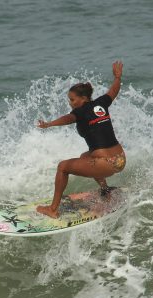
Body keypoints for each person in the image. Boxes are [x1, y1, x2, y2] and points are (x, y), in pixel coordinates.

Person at [35, 60, 126, 218]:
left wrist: (49, 124)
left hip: (106, 164)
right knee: (85, 157)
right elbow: (113, 91)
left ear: (83, 98)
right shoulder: (101, 103)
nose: (70, 103)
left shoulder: (80, 111)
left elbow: (67, 119)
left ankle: (53, 209)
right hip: (120, 160)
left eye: (72, 99)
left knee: (63, 167)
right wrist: (118, 77)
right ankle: (105, 191)